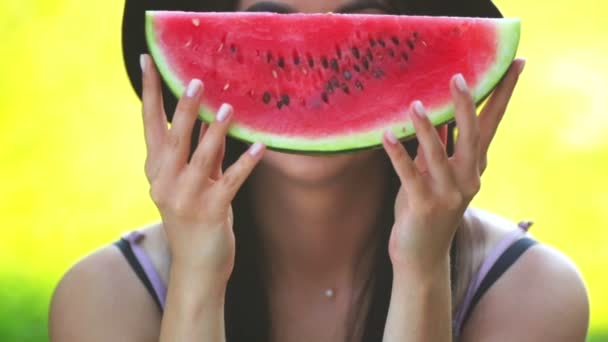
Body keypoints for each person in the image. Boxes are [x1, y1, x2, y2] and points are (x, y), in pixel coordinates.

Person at [49, 0, 589, 341]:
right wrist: (196, 279)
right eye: (269, 25)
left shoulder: (531, 292)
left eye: (362, 30)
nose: (306, 84)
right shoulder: (105, 296)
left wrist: (422, 270)